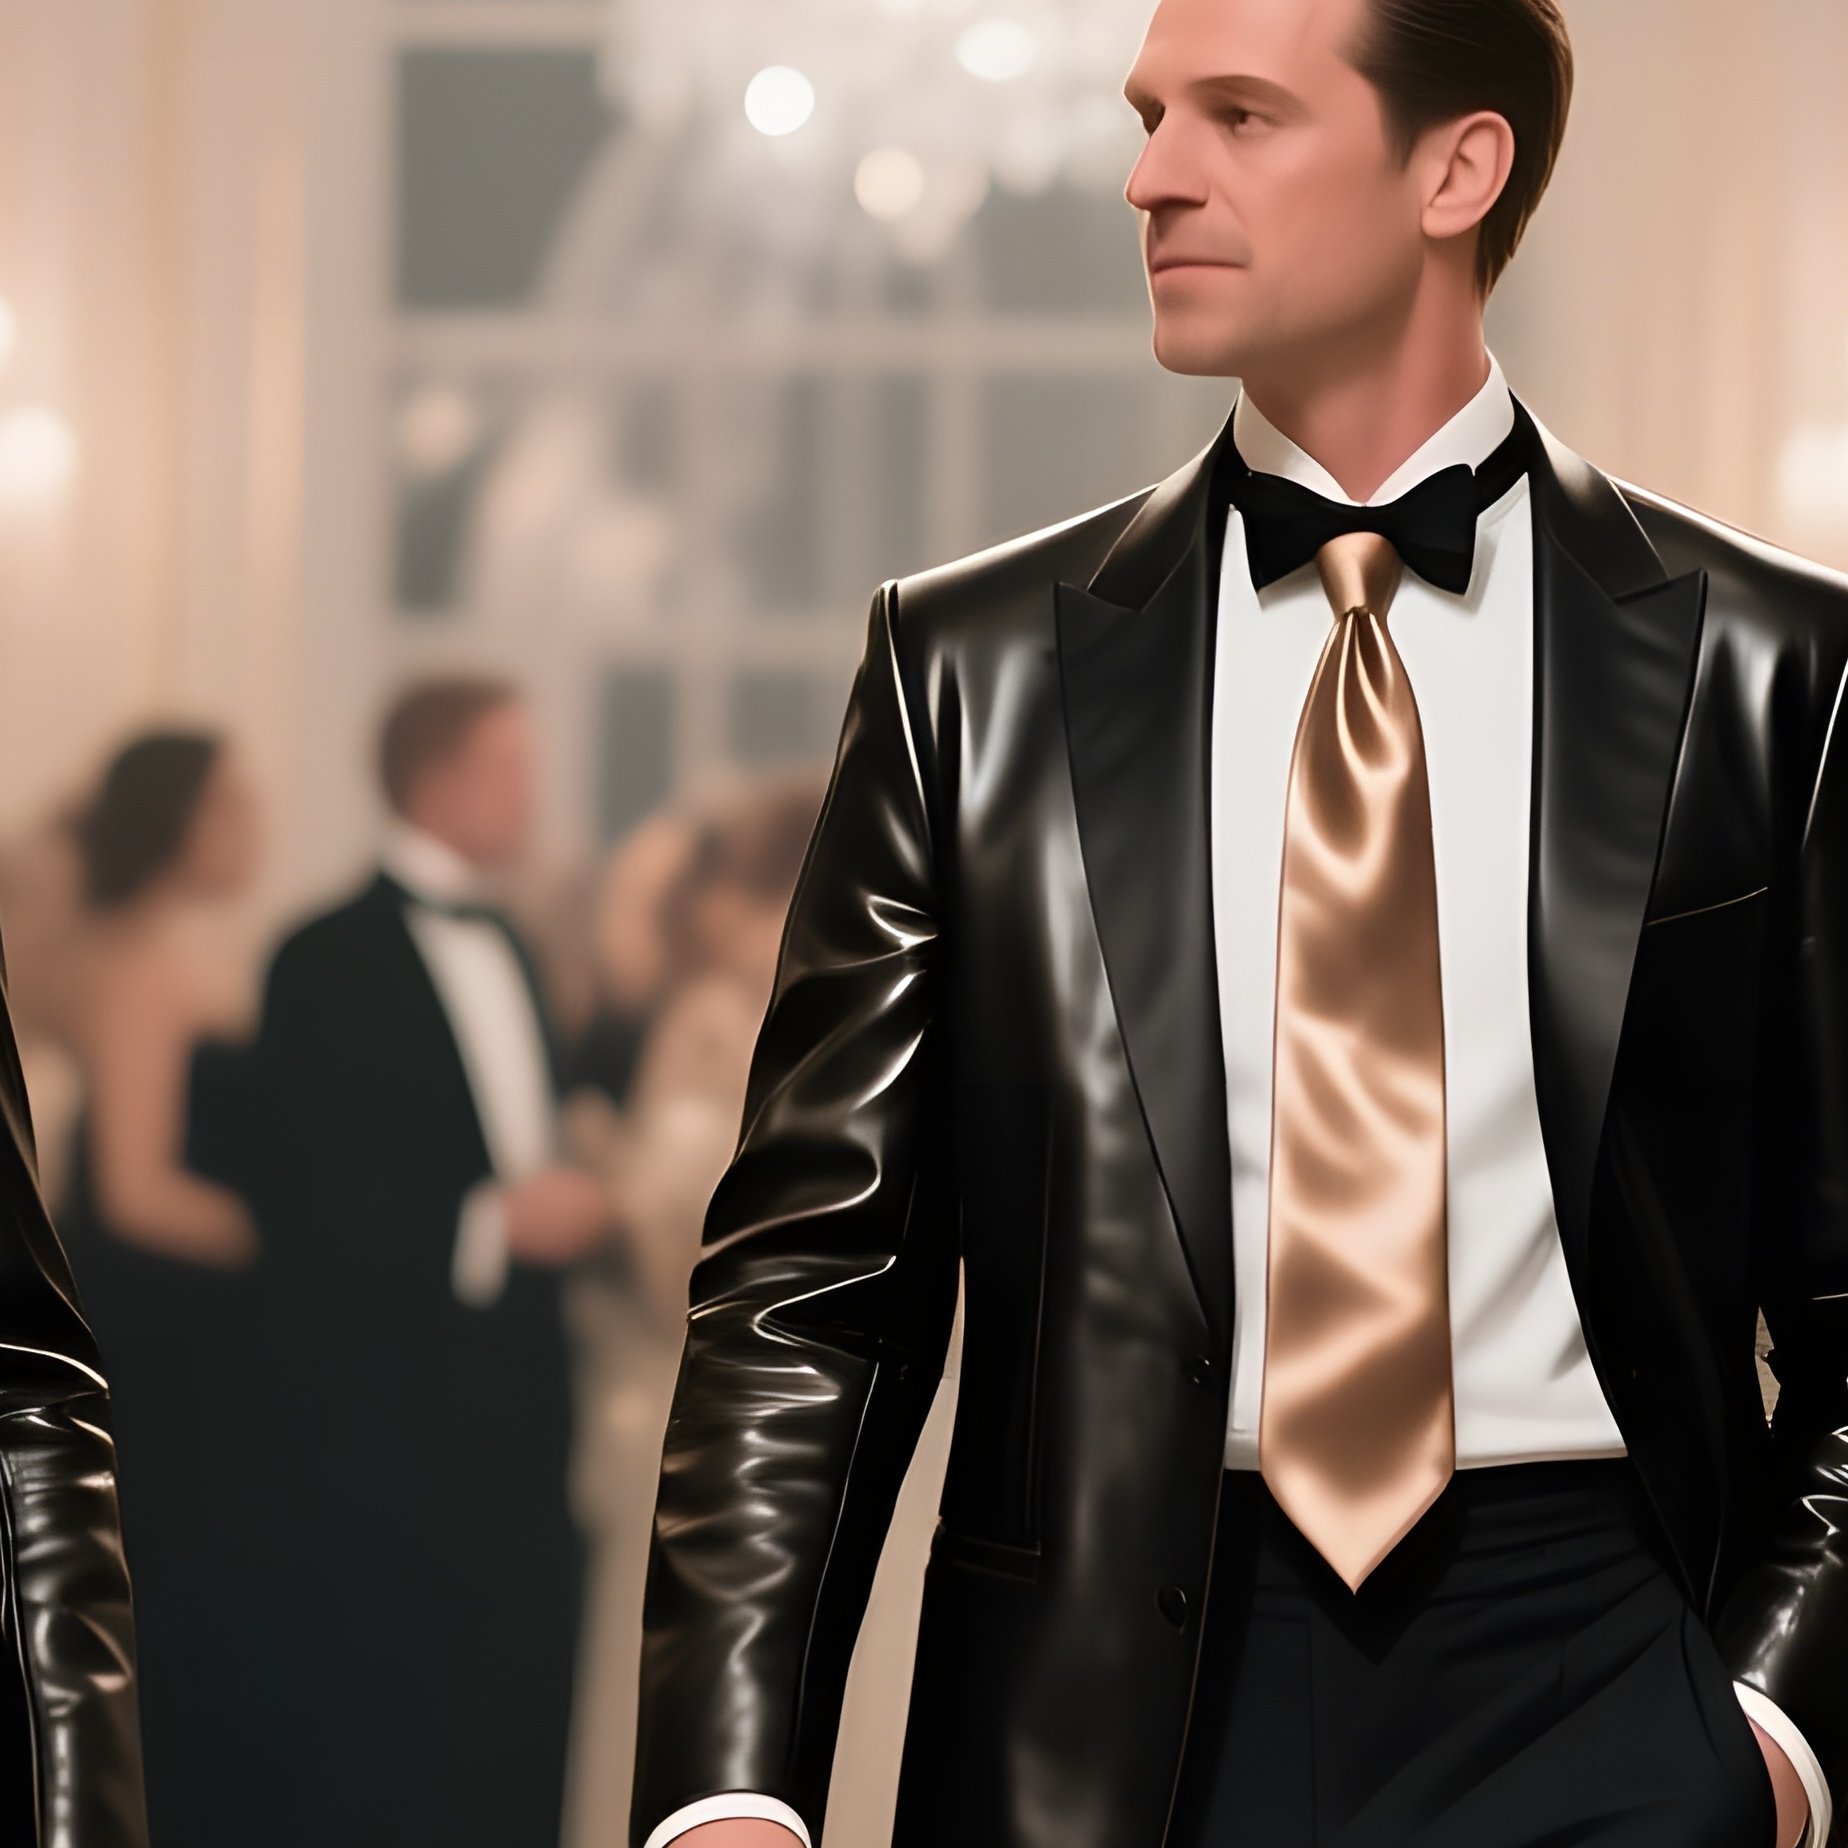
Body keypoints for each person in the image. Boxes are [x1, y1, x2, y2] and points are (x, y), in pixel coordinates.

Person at [627, 1, 1848, 1846]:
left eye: (1240, 116)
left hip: (1606, 1673)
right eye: (1148, 116)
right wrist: (727, 1793)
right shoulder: (967, 673)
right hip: (1099, 1712)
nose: (1151, 176)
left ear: (1458, 167)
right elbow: (811, 1291)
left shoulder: (1769, 665)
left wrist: (1767, 1736)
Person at [253, 673, 612, 1848]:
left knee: (514, 1709)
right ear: (436, 779)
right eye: (510, 770)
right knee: (387, 1712)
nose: (531, 797)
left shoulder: (512, 941)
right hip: (381, 1405)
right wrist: (491, 1225)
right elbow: (300, 1192)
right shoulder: (320, 957)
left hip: (519, 1392)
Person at [37, 730, 269, 1848]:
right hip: (159, 1339)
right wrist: (296, 1246)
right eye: (233, 804)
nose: (256, 824)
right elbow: (135, 1190)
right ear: (179, 820)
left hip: (184, 1332)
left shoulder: (179, 950)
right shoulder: (137, 963)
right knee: (165, 1595)